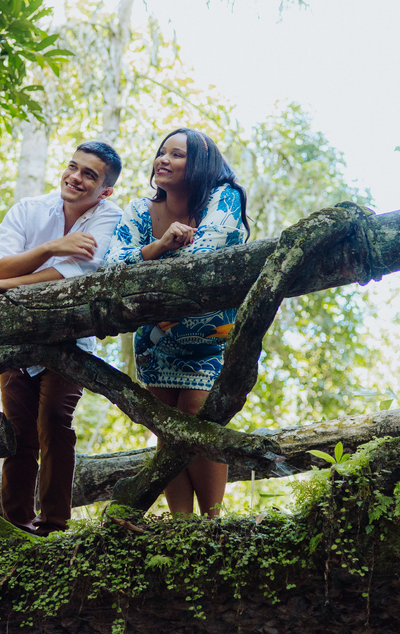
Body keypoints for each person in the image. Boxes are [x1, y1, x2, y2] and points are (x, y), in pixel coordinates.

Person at [0, 141, 123, 535]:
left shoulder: (110, 216)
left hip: (70, 339)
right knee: (17, 432)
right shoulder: (29, 209)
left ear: (105, 190)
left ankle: (54, 524)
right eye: (73, 167)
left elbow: (71, 278)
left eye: (89, 175)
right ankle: (16, 523)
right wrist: (51, 246)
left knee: (54, 422)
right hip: (17, 337)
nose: (76, 177)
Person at [105, 128, 249, 517]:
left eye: (177, 155)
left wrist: (147, 262)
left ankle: (214, 521)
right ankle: (182, 525)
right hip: (155, 342)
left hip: (213, 338)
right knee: (167, 433)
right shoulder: (138, 210)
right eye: (161, 153)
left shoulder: (225, 197)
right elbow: (113, 265)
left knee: (201, 420)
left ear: (200, 164)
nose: (163, 160)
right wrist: (159, 245)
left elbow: (206, 253)